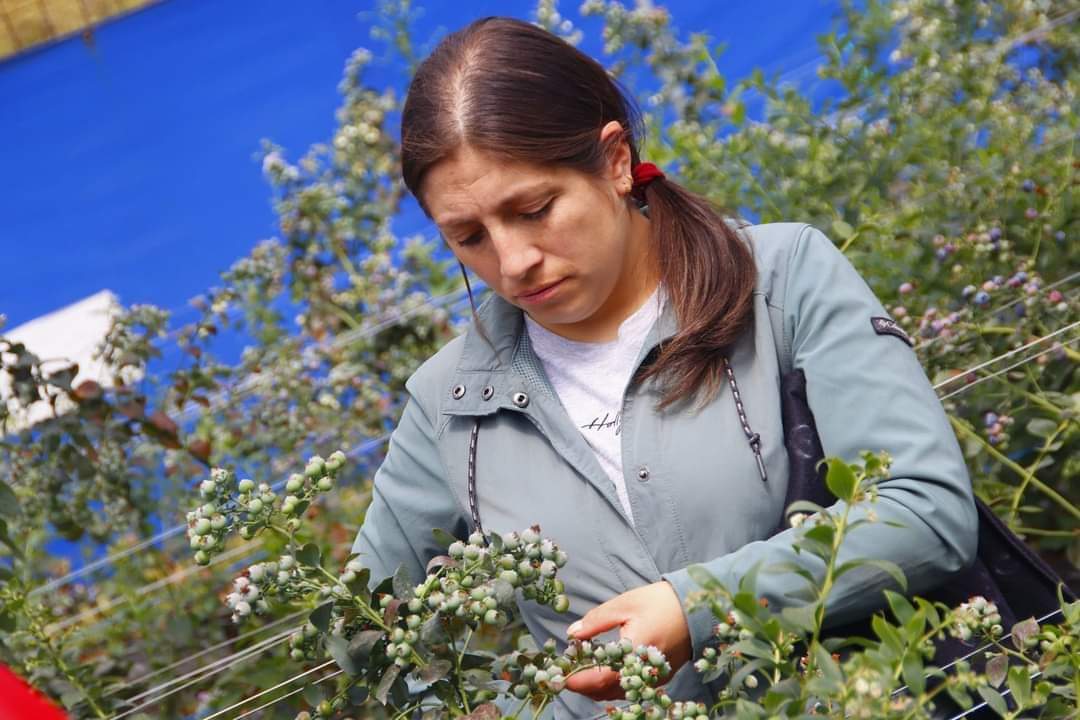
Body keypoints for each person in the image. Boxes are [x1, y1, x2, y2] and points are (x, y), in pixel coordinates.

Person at [352, 16, 977, 718]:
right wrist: (522, 706)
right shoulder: (451, 403)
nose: (513, 260)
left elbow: (926, 512)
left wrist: (695, 608)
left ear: (614, 160)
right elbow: (359, 632)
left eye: (534, 209)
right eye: (468, 237)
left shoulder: (780, 280)